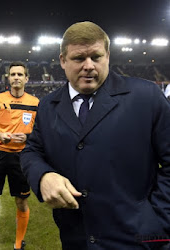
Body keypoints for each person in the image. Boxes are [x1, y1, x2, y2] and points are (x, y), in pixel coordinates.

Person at [20, 21, 170, 250]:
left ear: (107, 56)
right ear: (63, 60)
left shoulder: (146, 96)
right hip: (75, 239)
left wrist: (156, 220)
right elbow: (32, 150)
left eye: (96, 57)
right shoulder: (48, 106)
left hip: (140, 240)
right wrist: (42, 176)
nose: (88, 65)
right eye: (79, 58)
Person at [0, 61, 39, 250]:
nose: (16, 77)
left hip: (22, 157)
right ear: (8, 78)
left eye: (20, 74)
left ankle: (19, 244)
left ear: (26, 78)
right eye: (13, 74)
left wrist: (27, 136)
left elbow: (42, 132)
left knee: (21, 201)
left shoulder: (36, 103)